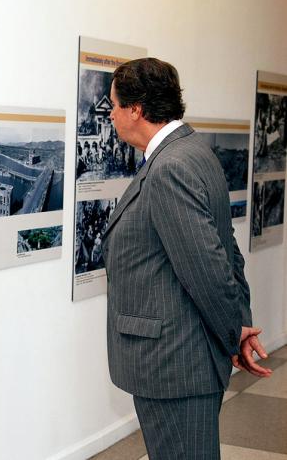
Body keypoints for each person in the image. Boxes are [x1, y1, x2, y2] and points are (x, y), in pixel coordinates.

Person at [101, 58, 273, 460]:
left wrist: (233, 333)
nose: (109, 115)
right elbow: (226, 251)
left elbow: (208, 270)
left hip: (173, 364)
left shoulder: (170, 167)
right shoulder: (194, 150)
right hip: (184, 355)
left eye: (113, 105)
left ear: (136, 109)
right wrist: (238, 324)